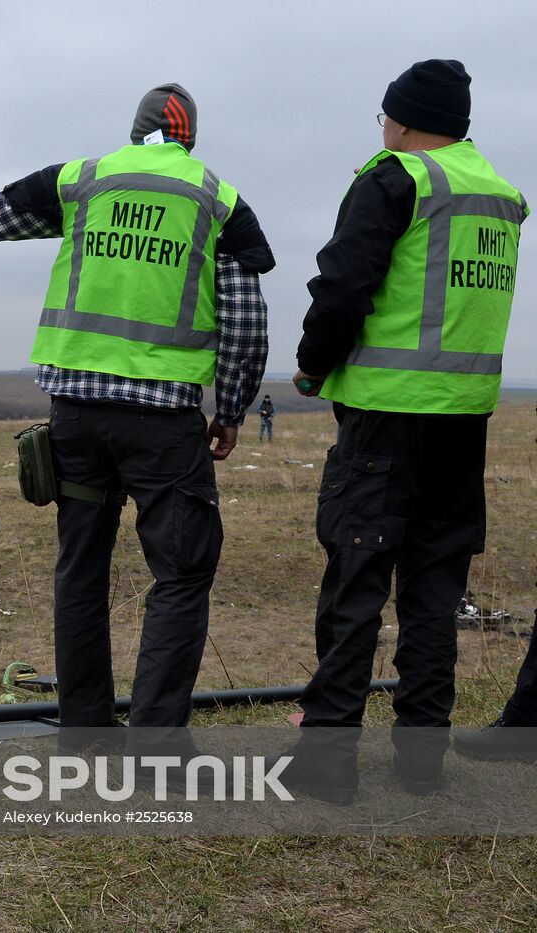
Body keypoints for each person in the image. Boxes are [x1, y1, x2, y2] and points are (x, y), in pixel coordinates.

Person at [0, 84, 272, 755]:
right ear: (189, 139)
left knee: (81, 566)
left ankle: (85, 731)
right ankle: (156, 744)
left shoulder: (82, 181)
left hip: (77, 420)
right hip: (164, 423)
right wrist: (231, 408)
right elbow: (246, 321)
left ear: (135, 130)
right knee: (180, 572)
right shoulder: (217, 199)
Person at [280, 60, 526, 801]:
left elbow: (344, 283)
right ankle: (421, 764)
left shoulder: (396, 177)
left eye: (386, 116)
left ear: (406, 120)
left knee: (356, 584)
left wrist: (313, 365)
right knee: (432, 593)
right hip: (463, 424)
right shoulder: (502, 196)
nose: (382, 127)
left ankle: (326, 765)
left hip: (385, 418)